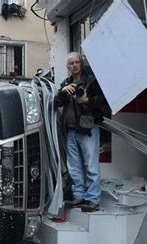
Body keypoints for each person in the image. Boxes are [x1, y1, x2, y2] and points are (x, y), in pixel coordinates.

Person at [54, 52, 110, 212]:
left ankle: (93, 199)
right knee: (74, 167)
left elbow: (104, 103)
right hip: (70, 130)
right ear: (67, 66)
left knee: (91, 166)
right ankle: (78, 196)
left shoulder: (91, 82)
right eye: (71, 63)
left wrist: (87, 100)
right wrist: (63, 91)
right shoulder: (67, 83)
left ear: (81, 63)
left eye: (77, 62)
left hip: (88, 129)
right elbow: (56, 103)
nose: (74, 65)